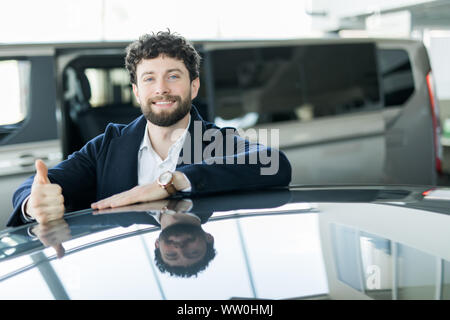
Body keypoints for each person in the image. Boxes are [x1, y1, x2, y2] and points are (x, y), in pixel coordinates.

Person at [7, 30, 292, 228]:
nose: (161, 89)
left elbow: (275, 163)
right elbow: (35, 185)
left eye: (173, 76)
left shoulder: (216, 140)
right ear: (136, 91)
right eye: (149, 79)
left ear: (193, 87)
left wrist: (173, 182)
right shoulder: (106, 145)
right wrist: (34, 203)